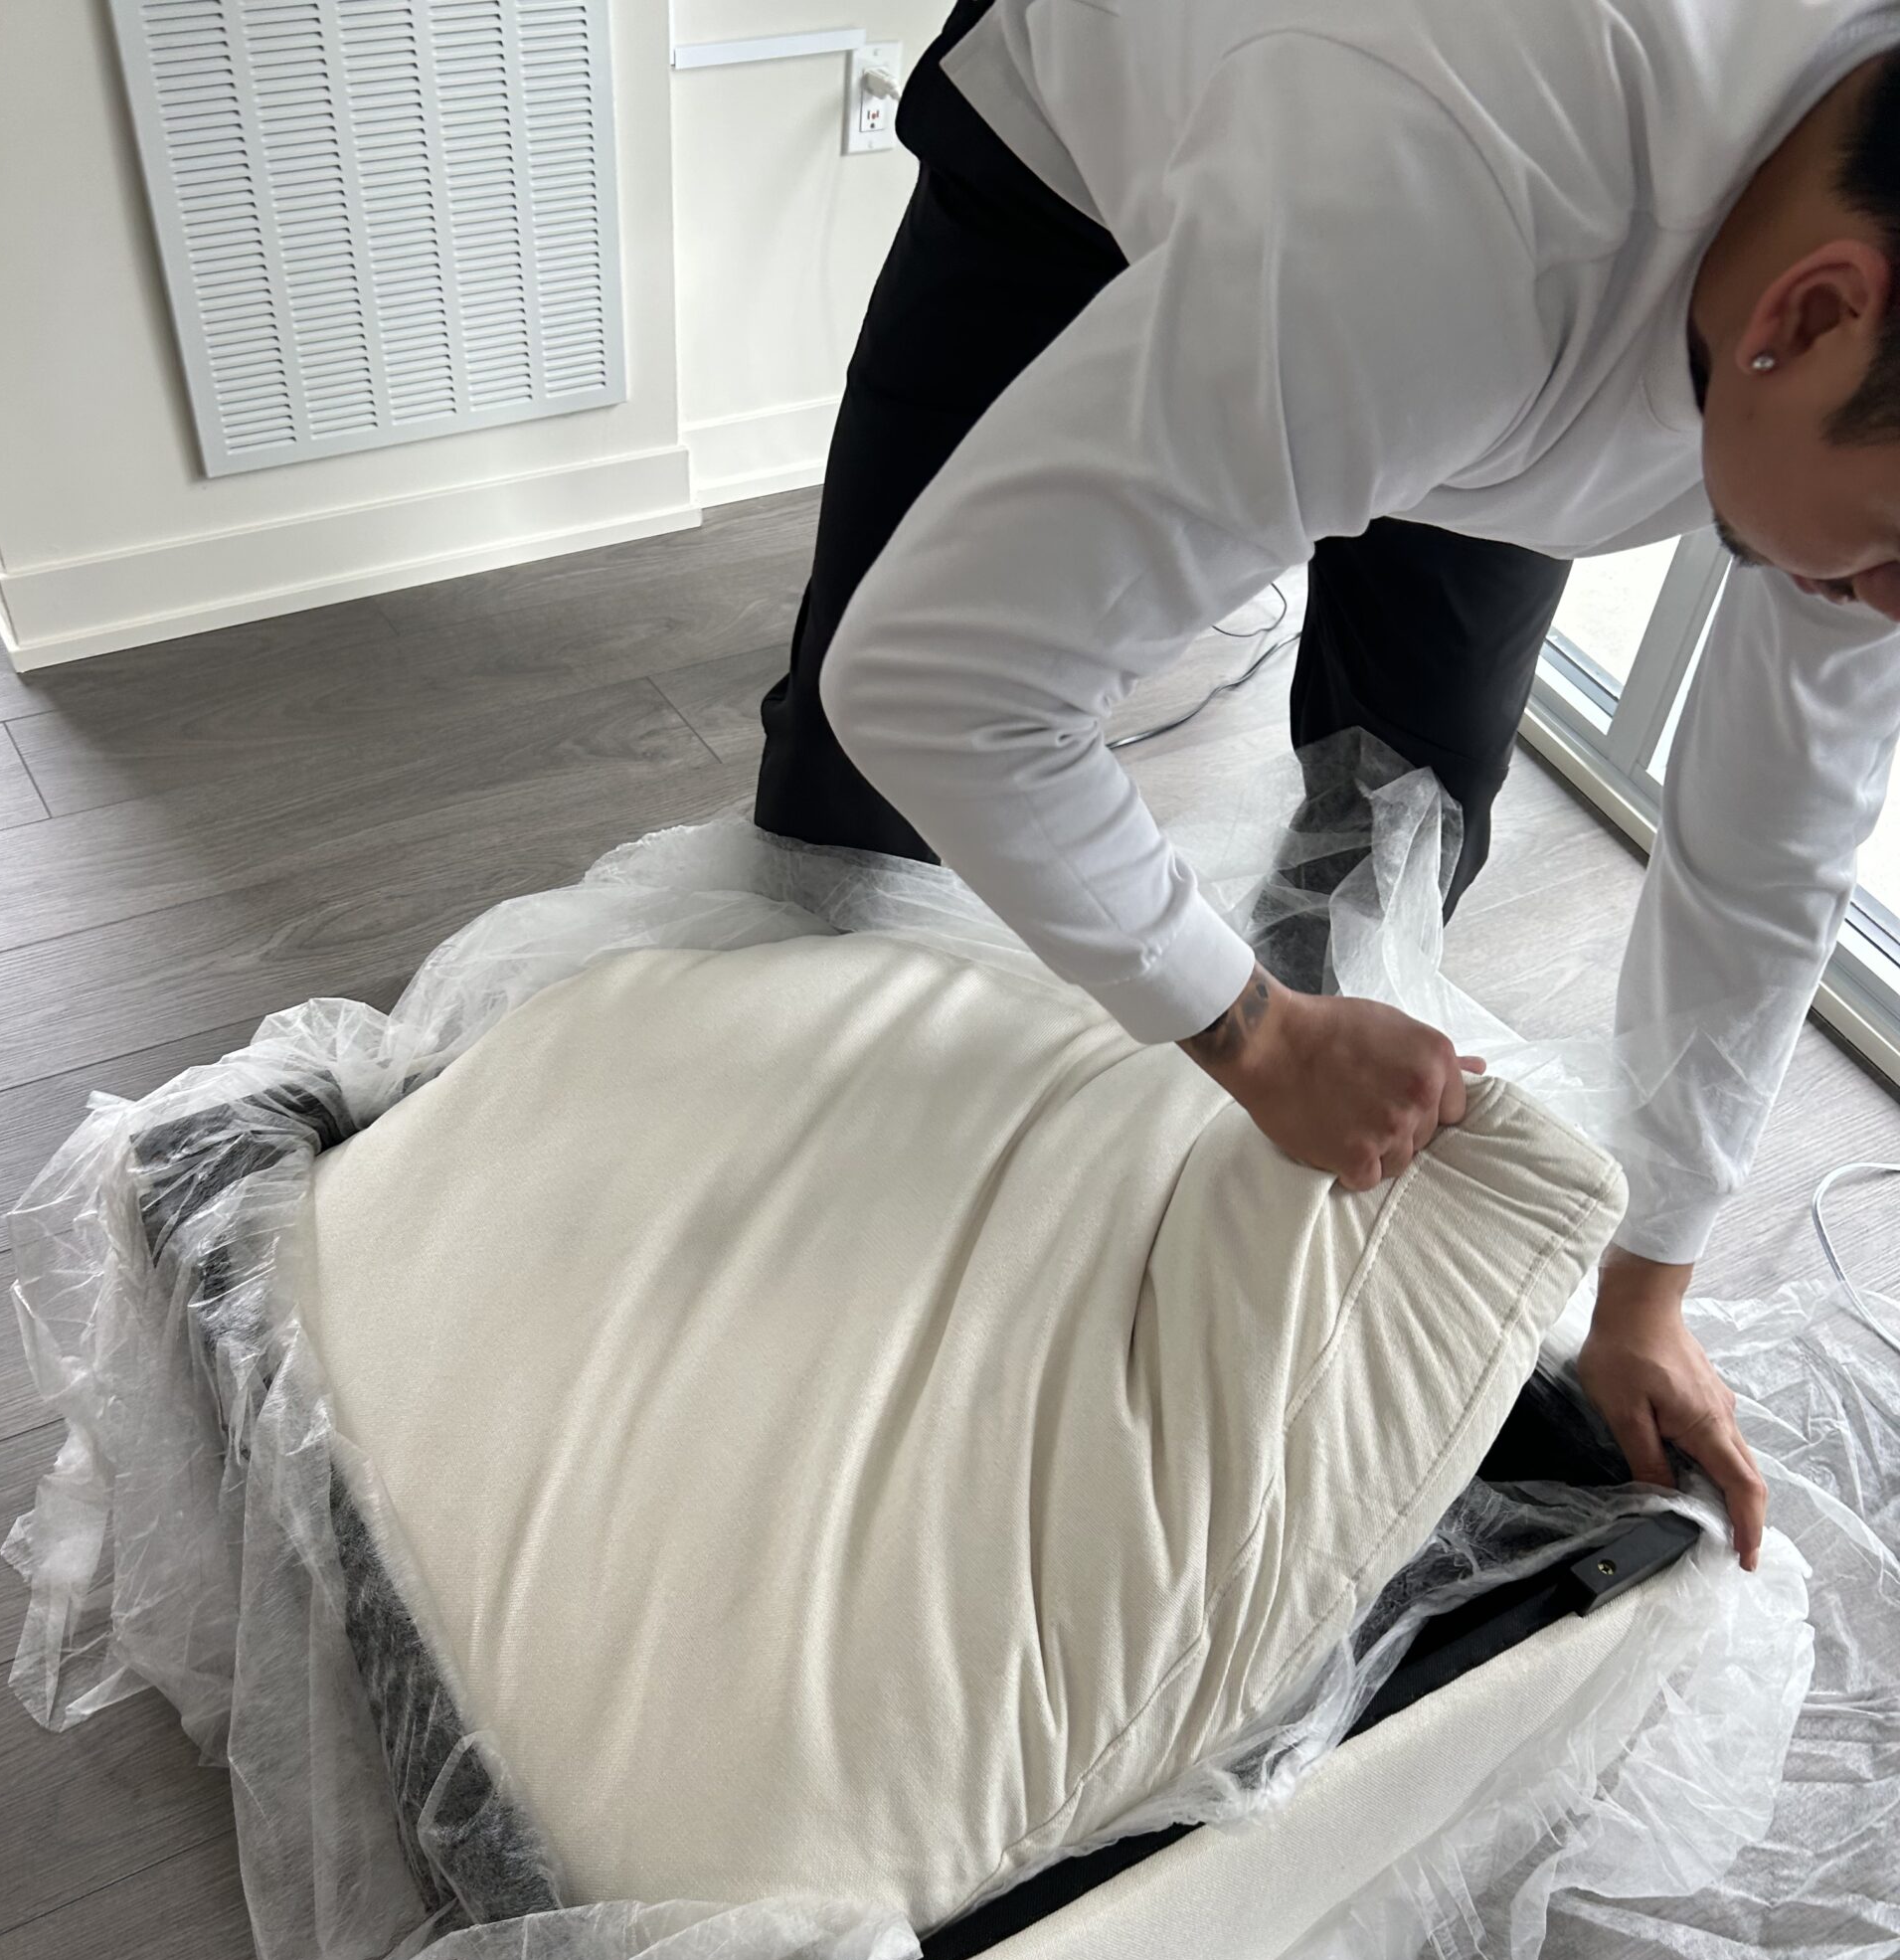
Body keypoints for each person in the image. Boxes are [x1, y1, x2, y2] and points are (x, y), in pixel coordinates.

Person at [755, 0, 1900, 1572]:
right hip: (1112, 128)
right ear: (1814, 312)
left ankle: (1252, 1221)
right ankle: (783, 1205)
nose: (1885, 612)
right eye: (1886, 562)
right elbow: (934, 681)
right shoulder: (1435, 231)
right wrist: (1253, 1034)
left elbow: (1775, 836)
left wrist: (1650, 1287)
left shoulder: (1846, 343)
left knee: (1404, 808)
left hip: (1503, 265)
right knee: (859, 792)